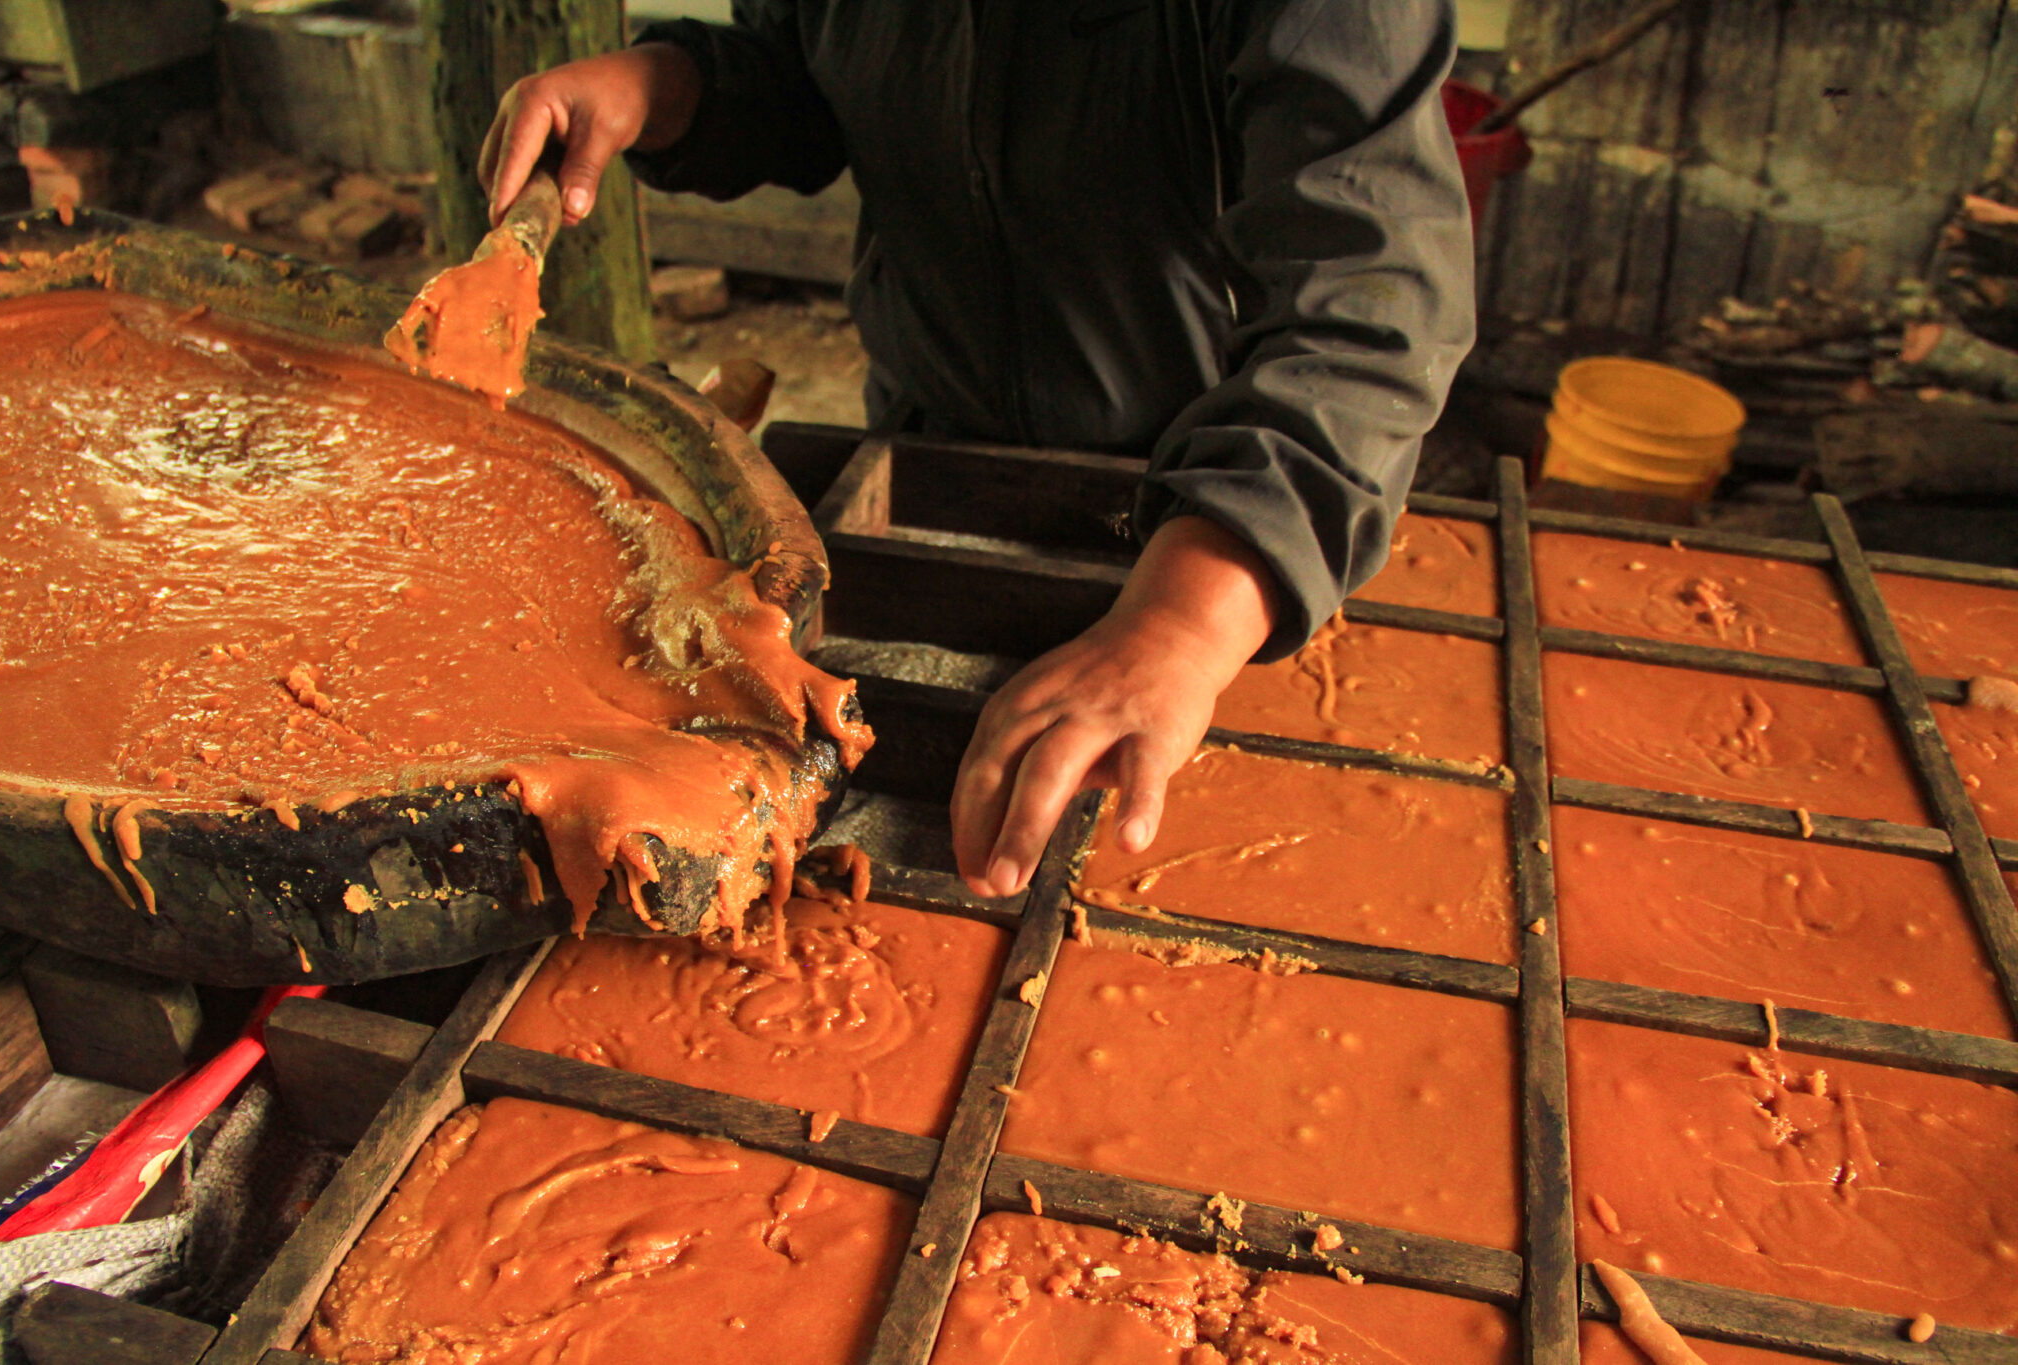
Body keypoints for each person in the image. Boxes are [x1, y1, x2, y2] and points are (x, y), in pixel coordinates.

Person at [477, 0, 1474, 902]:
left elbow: (1372, 305)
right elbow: (803, 73)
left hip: (1230, 518)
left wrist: (1185, 622)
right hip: (924, 438)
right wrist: (668, 85)